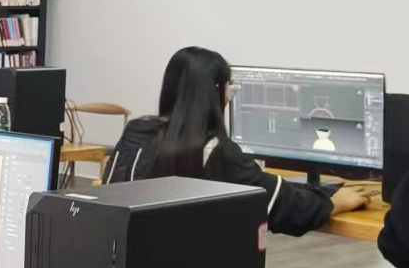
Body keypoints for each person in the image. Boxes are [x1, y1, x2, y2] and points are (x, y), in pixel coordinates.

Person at [105, 46, 371, 235]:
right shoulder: (216, 152)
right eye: (229, 87)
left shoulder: (136, 132)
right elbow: (288, 210)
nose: (230, 95)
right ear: (215, 93)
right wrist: (337, 201)